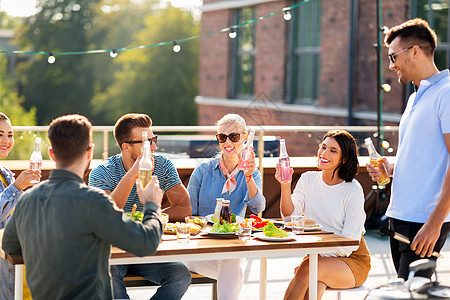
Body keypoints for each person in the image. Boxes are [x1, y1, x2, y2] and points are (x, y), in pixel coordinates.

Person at [2, 114, 164, 300]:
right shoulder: (94, 202)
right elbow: (147, 243)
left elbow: (9, 246)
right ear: (90, 152)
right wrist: (152, 204)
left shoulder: (27, 200)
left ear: (52, 153)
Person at [367, 18, 450, 280]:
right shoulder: (415, 96)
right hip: (400, 214)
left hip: (424, 220)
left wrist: (435, 223)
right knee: (406, 292)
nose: (391, 65)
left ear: (415, 50)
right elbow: (424, 154)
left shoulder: (446, 93)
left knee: (411, 295)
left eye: (394, 56)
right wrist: (390, 169)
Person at [88, 113, 191, 299]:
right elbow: (104, 213)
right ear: (126, 147)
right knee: (107, 279)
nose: (154, 147)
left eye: (154, 139)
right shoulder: (101, 172)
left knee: (180, 275)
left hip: (148, 245)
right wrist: (134, 173)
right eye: (146, 142)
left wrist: (148, 222)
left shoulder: (163, 165)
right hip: (114, 249)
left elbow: (184, 208)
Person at [279, 130, 370, 300]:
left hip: (352, 260)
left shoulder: (353, 190)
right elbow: (290, 218)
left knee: (308, 270)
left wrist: (315, 261)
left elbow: (349, 244)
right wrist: (285, 185)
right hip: (319, 257)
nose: (324, 153)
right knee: (314, 285)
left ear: (343, 159)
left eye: (333, 151)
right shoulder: (307, 179)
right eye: (323, 147)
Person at [186, 113, 266, 300]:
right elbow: (188, 214)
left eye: (234, 136)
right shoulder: (203, 171)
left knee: (232, 261)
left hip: (230, 247)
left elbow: (258, 206)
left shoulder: (251, 173)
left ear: (245, 138)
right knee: (235, 269)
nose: (227, 142)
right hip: (200, 248)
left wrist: (247, 176)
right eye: (222, 137)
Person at [0, 112, 41, 300]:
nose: (6, 140)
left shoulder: (6, 173)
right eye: (0, 134)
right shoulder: (10, 180)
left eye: (10, 135)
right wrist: (17, 187)